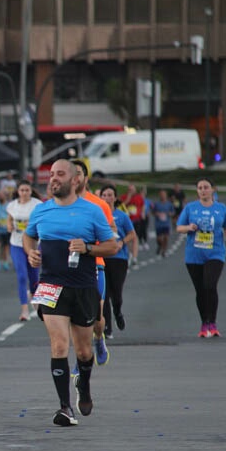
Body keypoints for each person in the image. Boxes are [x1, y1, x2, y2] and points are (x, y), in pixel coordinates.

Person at [23, 160, 117, 427]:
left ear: (75, 180)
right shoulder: (41, 211)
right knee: (59, 345)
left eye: (59, 174)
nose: (53, 179)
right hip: (51, 285)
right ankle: (65, 407)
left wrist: (87, 248)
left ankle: (83, 385)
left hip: (83, 287)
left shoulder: (93, 211)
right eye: (51, 174)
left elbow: (111, 245)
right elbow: (28, 237)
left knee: (84, 351)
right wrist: (31, 252)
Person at [72, 160, 120, 367]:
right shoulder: (57, 203)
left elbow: (111, 234)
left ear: (85, 178)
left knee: (96, 317)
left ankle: (99, 338)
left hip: (93, 264)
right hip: (66, 267)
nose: (74, 178)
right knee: (71, 315)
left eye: (78, 174)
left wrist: (90, 246)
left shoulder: (99, 204)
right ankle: (80, 355)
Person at [176, 178, 226, 338]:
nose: (203, 190)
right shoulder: (190, 208)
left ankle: (213, 323)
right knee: (200, 290)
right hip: (194, 255)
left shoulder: (221, 208)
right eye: (200, 188)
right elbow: (179, 227)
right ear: (197, 191)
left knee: (210, 285)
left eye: (206, 187)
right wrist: (189, 227)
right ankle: (204, 323)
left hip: (215, 253)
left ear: (212, 190)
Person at [98, 185, 136, 339]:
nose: (107, 198)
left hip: (119, 258)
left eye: (110, 195)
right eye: (104, 195)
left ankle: (118, 312)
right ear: (101, 198)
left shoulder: (121, 216)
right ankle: (107, 327)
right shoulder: (97, 216)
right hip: (102, 257)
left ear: (115, 197)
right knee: (104, 294)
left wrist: (122, 243)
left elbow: (132, 233)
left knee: (117, 293)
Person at [6, 180, 41, 321]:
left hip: (33, 245)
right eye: (22, 190)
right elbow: (9, 220)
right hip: (16, 244)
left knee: (34, 277)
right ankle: (24, 310)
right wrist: (10, 227)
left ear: (31, 191)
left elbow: (42, 221)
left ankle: (36, 302)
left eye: (27, 190)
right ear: (18, 191)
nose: (25, 193)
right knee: (21, 276)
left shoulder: (37, 204)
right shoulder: (12, 206)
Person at [150, 189, 176, 256]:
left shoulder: (169, 204)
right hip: (158, 224)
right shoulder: (156, 204)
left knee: (166, 238)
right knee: (159, 239)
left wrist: (169, 214)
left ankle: (164, 251)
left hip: (166, 224)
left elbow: (173, 212)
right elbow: (152, 212)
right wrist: (157, 214)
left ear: (166, 195)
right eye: (161, 195)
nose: (162, 196)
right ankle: (160, 245)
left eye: (164, 194)